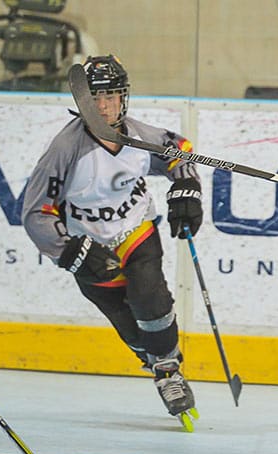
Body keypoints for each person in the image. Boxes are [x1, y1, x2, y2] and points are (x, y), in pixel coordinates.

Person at [22, 55, 203, 431]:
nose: (103, 107)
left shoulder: (137, 135)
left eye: (110, 97)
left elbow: (180, 149)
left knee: (150, 298)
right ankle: (154, 361)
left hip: (135, 230)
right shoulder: (64, 150)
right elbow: (35, 212)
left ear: (124, 98)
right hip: (89, 246)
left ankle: (168, 370)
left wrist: (186, 184)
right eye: (94, 99)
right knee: (128, 324)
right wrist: (68, 249)